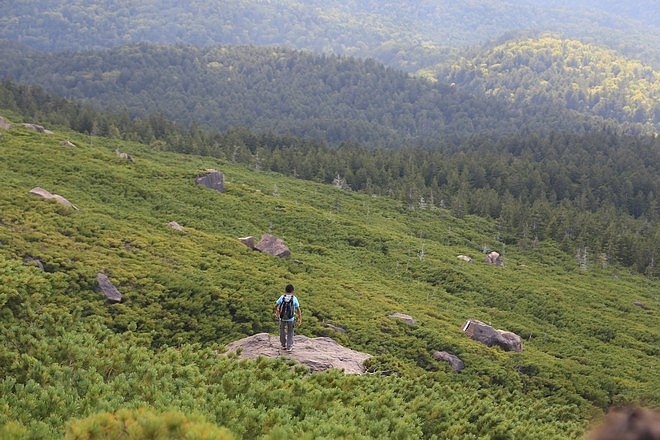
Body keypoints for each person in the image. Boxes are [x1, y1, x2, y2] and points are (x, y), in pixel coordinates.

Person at [274, 284, 302, 351]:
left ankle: (283, 344)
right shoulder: (294, 298)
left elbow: (275, 306)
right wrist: (299, 318)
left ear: (285, 290)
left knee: (282, 330)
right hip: (290, 318)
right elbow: (298, 309)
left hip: (282, 317)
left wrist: (277, 311)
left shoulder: (282, 297)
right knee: (290, 331)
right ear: (293, 291)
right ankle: (289, 347)